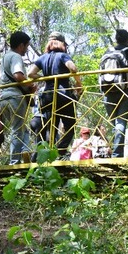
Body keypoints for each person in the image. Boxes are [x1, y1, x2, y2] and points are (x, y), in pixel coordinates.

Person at [28, 31, 83, 159]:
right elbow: (73, 68)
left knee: (50, 127)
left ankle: (48, 155)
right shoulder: (63, 56)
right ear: (62, 43)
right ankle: (60, 150)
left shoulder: (43, 58)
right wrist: (78, 83)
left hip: (47, 96)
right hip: (63, 94)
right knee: (70, 124)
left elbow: (30, 73)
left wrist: (45, 78)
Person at [0, 31, 35, 165]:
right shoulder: (16, 56)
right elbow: (18, 76)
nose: (27, 49)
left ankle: (24, 152)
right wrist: (30, 85)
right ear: (21, 45)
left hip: (3, 97)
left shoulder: (4, 57)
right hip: (15, 96)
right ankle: (14, 162)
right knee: (17, 129)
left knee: (22, 129)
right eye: (27, 46)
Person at [102, 29, 128, 157]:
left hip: (108, 91)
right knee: (121, 122)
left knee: (116, 123)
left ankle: (115, 151)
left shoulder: (108, 52)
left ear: (116, 39)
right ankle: (117, 154)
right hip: (126, 91)